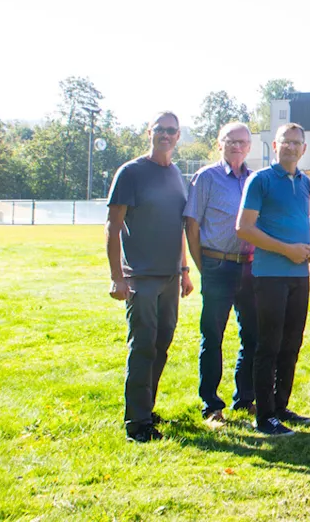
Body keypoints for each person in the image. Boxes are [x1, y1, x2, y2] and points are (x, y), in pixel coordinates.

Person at [107, 111, 191, 443]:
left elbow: (179, 226)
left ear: (179, 136)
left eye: (172, 131)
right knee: (142, 347)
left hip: (170, 278)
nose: (166, 135)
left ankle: (147, 408)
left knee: (161, 346)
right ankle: (137, 423)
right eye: (160, 130)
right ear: (149, 132)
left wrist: (183, 270)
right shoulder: (130, 173)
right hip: (140, 278)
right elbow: (113, 226)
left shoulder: (176, 174)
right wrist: (118, 277)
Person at [237, 123, 310, 436]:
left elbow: (302, 223)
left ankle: (280, 406)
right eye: (285, 142)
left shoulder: (304, 183)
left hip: (299, 275)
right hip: (269, 274)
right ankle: (264, 417)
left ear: (304, 148)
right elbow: (244, 228)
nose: (291, 147)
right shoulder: (260, 180)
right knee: (268, 346)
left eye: (296, 143)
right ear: (275, 146)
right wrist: (287, 250)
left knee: (291, 344)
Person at [183, 121, 257, 429]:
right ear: (219, 144)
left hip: (251, 266)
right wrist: (203, 267)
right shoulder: (207, 178)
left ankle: (245, 398)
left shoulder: (256, 180)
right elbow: (192, 224)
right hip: (217, 264)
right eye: (230, 141)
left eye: (242, 141)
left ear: (250, 146)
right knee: (212, 336)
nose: (237, 146)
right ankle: (211, 405)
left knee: (252, 335)